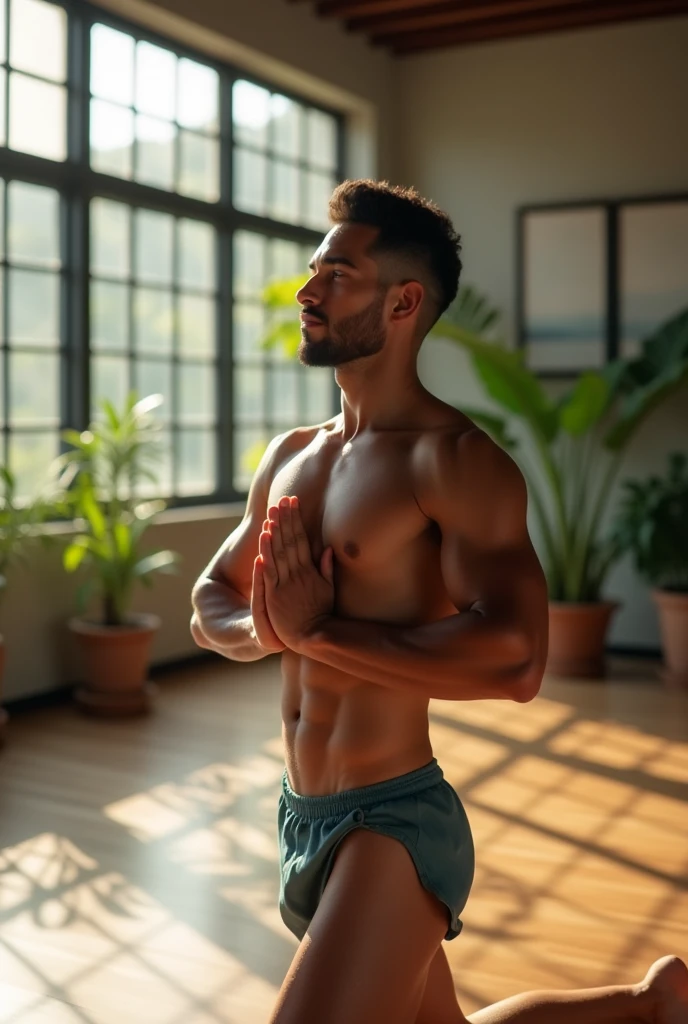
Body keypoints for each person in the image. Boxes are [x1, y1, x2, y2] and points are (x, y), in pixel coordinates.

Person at [190, 180, 688, 1024]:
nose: (309, 290)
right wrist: (270, 630)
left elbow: (520, 661)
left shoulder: (453, 461)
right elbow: (211, 601)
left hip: (392, 820)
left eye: (337, 274)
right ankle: (651, 1006)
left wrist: (316, 631)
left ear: (403, 301)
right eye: (314, 268)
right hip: (302, 813)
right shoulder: (292, 455)